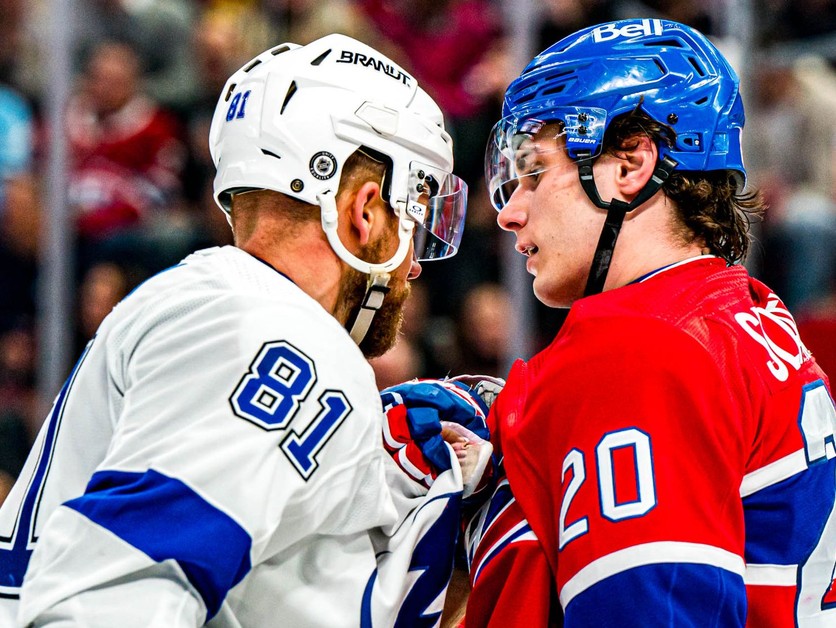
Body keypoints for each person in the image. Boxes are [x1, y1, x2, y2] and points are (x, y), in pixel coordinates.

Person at [0, 33, 481, 626]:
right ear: (364, 210)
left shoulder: (208, 306)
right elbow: (114, 600)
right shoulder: (279, 337)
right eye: (414, 217)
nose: (413, 265)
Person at [458, 18, 836, 626]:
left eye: (533, 173)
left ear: (630, 165)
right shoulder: (745, 310)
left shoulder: (637, 348)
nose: (511, 212)